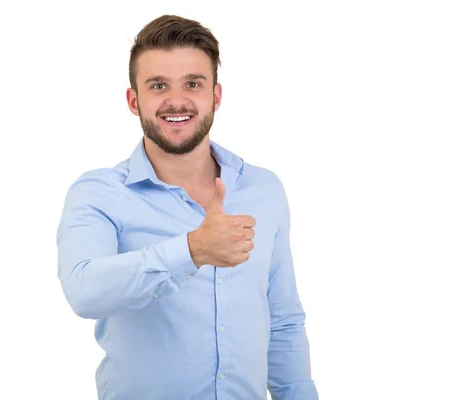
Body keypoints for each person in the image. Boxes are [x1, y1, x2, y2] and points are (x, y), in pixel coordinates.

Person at [56, 14, 318, 400]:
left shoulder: (264, 189)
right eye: (158, 85)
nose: (176, 101)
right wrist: (192, 250)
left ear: (216, 95)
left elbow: (282, 322)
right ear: (134, 100)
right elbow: (84, 290)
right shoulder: (97, 193)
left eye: (193, 84)